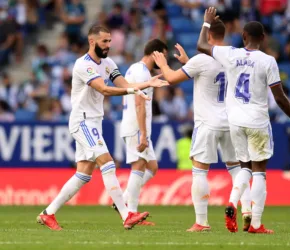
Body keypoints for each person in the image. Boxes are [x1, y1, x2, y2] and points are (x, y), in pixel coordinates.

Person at [36, 25, 168, 231]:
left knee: (84, 174)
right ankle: (127, 215)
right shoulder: (83, 65)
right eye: (104, 41)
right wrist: (135, 90)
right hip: (82, 121)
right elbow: (104, 88)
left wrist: (145, 84)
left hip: (94, 121)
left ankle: (48, 213)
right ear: (92, 41)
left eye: (109, 41)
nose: (108, 45)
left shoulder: (108, 63)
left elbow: (123, 83)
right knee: (107, 163)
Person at [197, 7, 290, 234]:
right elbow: (279, 97)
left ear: (244, 37)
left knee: (244, 167)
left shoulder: (231, 53)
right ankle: (256, 223)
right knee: (259, 172)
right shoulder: (268, 61)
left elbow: (202, 46)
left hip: (235, 121)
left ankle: (231, 201)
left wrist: (207, 23)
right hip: (257, 121)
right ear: (264, 38)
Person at [152, 19, 252, 232]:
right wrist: (188, 62)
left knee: (199, 171)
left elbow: (170, 78)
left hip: (207, 123)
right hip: (230, 122)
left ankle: (202, 222)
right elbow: (207, 75)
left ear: (207, 36)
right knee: (236, 170)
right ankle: (247, 213)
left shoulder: (201, 60)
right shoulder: (233, 56)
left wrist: (162, 64)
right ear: (223, 35)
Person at [112, 39, 168, 226]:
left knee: (152, 167)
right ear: (155, 54)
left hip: (135, 124)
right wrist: (143, 133)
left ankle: (124, 199)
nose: (163, 62)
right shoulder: (142, 72)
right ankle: (131, 214)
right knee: (139, 166)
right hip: (137, 125)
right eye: (163, 57)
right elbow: (139, 102)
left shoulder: (134, 69)